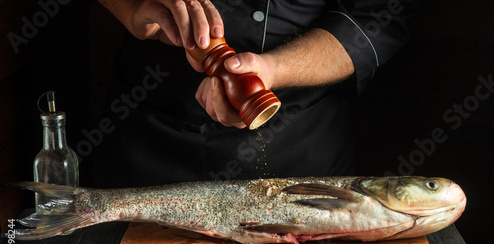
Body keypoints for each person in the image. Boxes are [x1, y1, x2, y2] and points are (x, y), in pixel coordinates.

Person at [93, 0, 421, 187]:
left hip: (298, 150)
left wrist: (273, 69)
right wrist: (133, 7)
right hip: (152, 146)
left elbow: (379, 14)